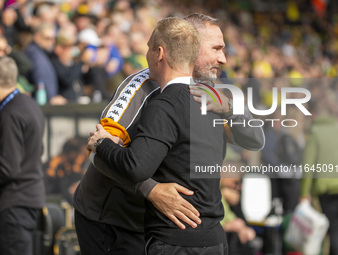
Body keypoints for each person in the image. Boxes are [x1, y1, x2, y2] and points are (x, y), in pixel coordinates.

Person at [73, 13, 264, 255]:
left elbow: (254, 139)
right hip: (113, 222)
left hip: (162, 230)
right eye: (216, 48)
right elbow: (97, 149)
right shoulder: (143, 86)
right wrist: (151, 190)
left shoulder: (208, 92)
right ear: (191, 45)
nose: (223, 59)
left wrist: (232, 111)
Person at [0, 57, 45, 255]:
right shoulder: (29, 104)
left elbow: (8, 167)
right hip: (30, 198)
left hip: (14, 203)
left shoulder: (10, 113)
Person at [300, 99, 338, 255]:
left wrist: (304, 193)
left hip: (327, 190)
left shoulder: (314, 132)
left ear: (312, 114)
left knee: (333, 232)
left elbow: (308, 165)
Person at [24, 23, 67, 105]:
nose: (51, 42)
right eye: (48, 38)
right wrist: (51, 98)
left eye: (53, 39)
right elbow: (40, 77)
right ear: (37, 37)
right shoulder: (35, 54)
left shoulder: (42, 53)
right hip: (44, 104)